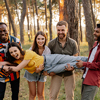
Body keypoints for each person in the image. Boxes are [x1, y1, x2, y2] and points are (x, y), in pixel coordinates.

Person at [48, 20, 78, 100]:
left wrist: (72, 67)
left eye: (62, 30)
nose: (60, 32)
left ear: (67, 30)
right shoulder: (51, 44)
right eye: (58, 30)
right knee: (53, 96)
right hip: (56, 72)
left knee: (70, 96)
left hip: (69, 72)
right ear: (56, 30)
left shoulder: (73, 43)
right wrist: (50, 71)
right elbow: (48, 59)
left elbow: (76, 58)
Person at [24, 31, 51, 100]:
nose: (40, 41)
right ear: (35, 40)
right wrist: (36, 69)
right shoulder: (31, 49)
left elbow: (48, 63)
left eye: (42, 39)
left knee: (41, 95)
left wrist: (43, 70)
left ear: (45, 40)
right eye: (38, 39)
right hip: (31, 73)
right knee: (32, 94)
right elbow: (28, 63)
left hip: (42, 73)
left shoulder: (47, 50)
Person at [76, 24, 100, 100]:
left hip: (92, 81)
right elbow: (91, 60)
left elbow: (98, 65)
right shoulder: (96, 44)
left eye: (97, 32)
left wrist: (84, 64)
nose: (94, 33)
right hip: (86, 78)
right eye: (94, 31)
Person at [0, 22, 21, 100]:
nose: (3, 33)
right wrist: (4, 67)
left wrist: (10, 67)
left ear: (8, 30)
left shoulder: (16, 41)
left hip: (15, 72)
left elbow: (20, 57)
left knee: (15, 95)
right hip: (0, 73)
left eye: (4, 30)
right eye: (0, 31)